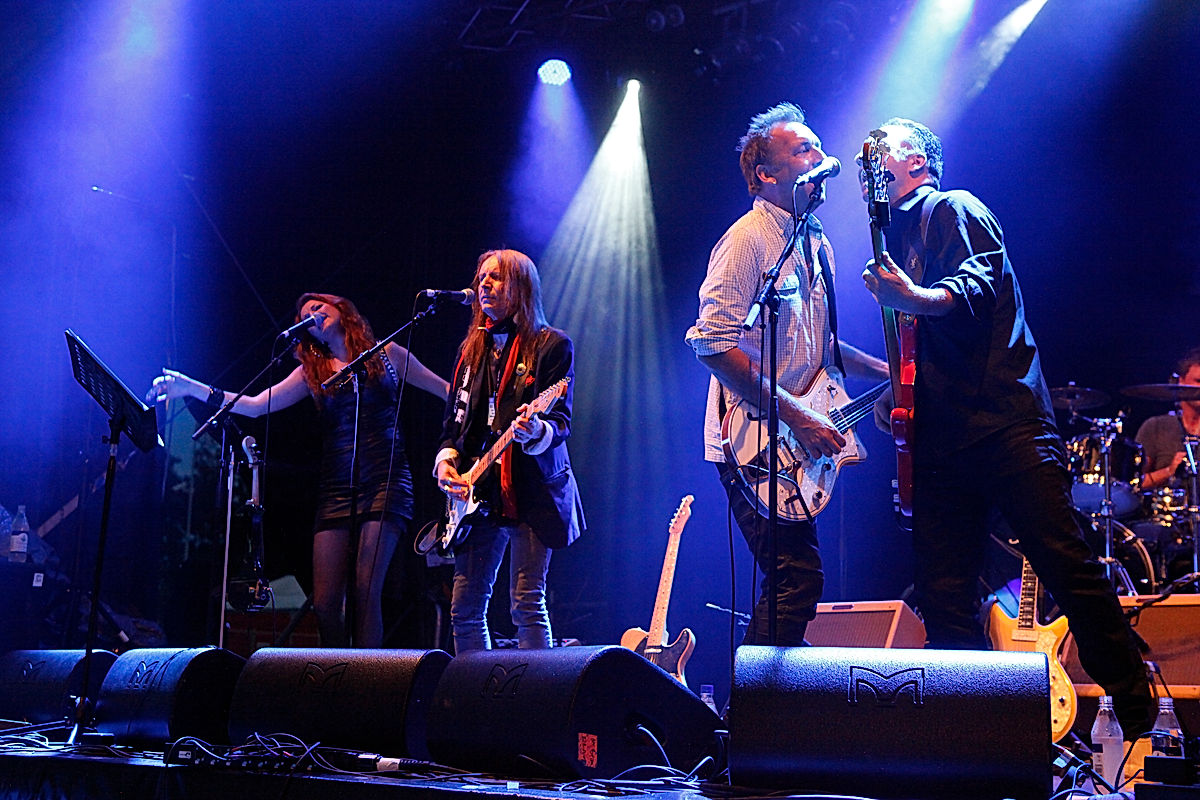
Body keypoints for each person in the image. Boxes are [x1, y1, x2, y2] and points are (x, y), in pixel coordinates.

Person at [859, 117, 1153, 735]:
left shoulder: (950, 206)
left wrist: (911, 297)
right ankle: (965, 737)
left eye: (888, 144)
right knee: (942, 597)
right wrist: (897, 393)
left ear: (919, 163)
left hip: (1004, 421)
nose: (874, 151)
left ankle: (1139, 709)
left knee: (1065, 564)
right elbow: (927, 342)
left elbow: (973, 290)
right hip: (940, 438)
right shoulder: (893, 237)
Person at [685, 102, 889, 647]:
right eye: (803, 150)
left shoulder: (815, 239)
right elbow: (709, 344)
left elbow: (817, 341)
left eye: (819, 146)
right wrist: (797, 416)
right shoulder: (748, 239)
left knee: (796, 581)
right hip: (751, 440)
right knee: (796, 579)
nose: (821, 156)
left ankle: (767, 713)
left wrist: (887, 370)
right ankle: (753, 718)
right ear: (765, 174)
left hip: (792, 438)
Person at [148, 293, 449, 648]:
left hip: (386, 481)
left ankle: (371, 685)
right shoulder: (312, 372)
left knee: (366, 591)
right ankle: (339, 674)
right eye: (306, 314)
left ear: (341, 309)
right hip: (337, 486)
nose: (314, 314)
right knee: (324, 604)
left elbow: (446, 390)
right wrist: (189, 387)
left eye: (319, 307)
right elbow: (256, 405)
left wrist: (465, 442)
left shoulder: (389, 353)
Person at [434, 249, 585, 653]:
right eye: (482, 276)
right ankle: (473, 697)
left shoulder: (553, 345)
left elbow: (561, 424)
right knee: (464, 607)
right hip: (478, 490)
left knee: (526, 601)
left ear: (521, 287)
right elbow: (455, 421)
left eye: (496, 277)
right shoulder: (472, 349)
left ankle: (536, 704)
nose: (484, 284)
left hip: (531, 489)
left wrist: (535, 429)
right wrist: (447, 462)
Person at [1136, 345, 1200, 491]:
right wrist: (1169, 471)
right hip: (1164, 512)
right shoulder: (1156, 427)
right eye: (1198, 381)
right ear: (1181, 381)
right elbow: (1134, 485)